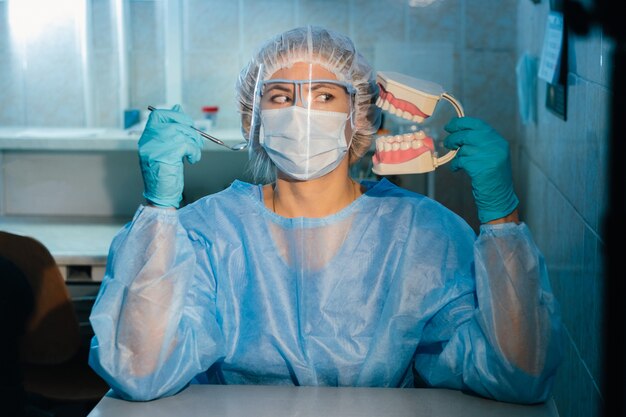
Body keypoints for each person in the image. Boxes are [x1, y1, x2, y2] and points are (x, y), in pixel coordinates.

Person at [88, 25, 563, 404]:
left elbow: (519, 375)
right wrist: (158, 210)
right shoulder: (207, 233)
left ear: (360, 115)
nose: (301, 113)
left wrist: (503, 217)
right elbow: (138, 371)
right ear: (252, 119)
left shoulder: (422, 234)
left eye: (323, 96)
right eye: (281, 96)